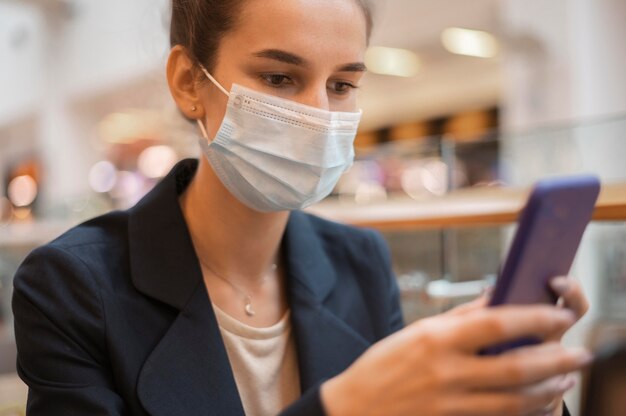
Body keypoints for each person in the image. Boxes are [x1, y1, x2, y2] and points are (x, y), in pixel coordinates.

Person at [12, 0, 591, 415]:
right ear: (190, 81)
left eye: (341, 86)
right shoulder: (73, 285)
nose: (318, 115)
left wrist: (512, 399)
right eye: (279, 77)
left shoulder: (357, 261)